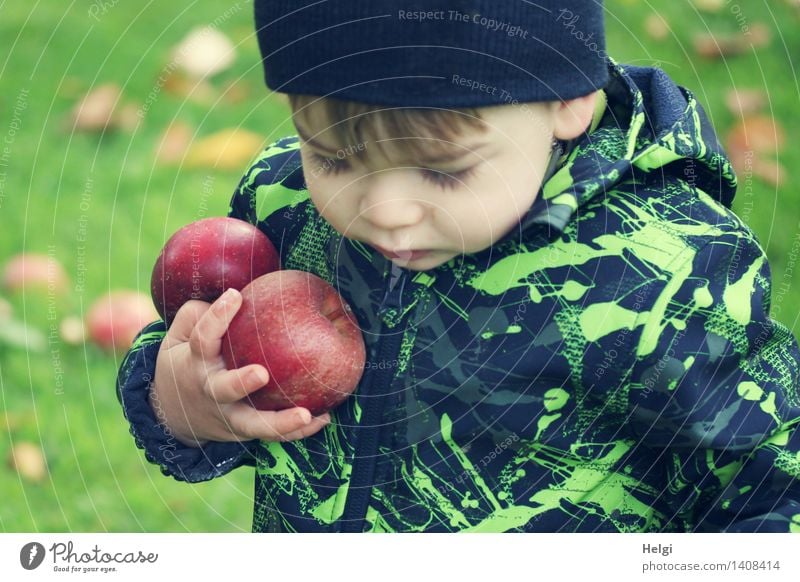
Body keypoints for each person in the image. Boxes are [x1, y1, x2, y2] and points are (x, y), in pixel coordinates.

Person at [117, 0, 800, 532]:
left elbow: (771, 491)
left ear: (566, 100)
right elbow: (209, 363)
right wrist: (182, 402)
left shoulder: (667, 268)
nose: (384, 211)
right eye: (332, 156)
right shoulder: (283, 205)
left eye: (444, 172)